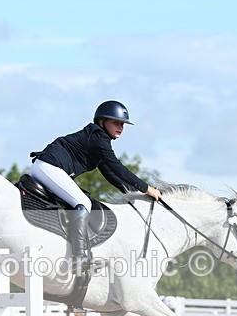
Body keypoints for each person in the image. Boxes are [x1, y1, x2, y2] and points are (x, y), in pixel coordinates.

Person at [30, 100, 162, 273]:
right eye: (116, 122)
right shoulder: (99, 138)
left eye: (122, 124)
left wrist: (132, 193)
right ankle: (78, 259)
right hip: (48, 166)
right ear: (101, 122)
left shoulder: (98, 139)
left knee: (82, 201)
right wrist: (147, 188)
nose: (120, 127)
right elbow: (118, 167)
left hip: (48, 167)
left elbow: (110, 174)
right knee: (84, 203)